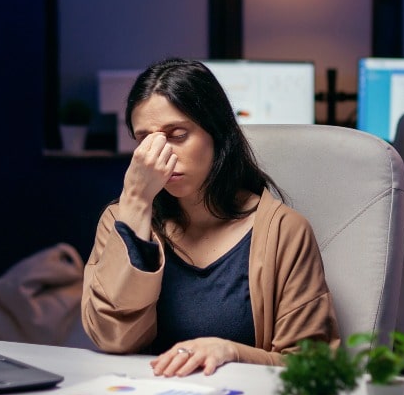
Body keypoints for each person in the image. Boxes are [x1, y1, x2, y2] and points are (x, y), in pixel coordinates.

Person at [81, 57, 340, 377]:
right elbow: (112, 339)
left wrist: (230, 351)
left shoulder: (284, 231)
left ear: (217, 134)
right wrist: (135, 202)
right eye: (145, 139)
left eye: (177, 134)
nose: (159, 153)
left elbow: (315, 365)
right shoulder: (121, 221)